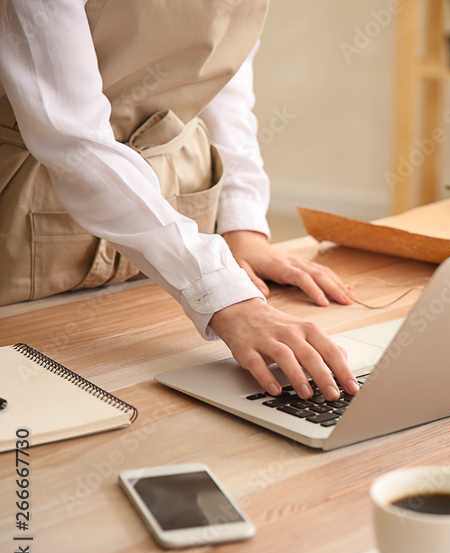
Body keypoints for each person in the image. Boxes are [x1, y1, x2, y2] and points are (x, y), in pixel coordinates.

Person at [0, 0, 357, 402]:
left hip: (176, 235)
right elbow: (70, 137)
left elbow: (221, 84)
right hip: (24, 218)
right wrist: (225, 298)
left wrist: (242, 227)